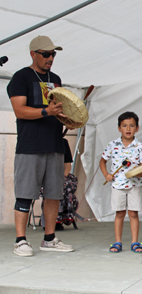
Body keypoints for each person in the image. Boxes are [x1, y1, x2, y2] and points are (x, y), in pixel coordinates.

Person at [7, 35, 74, 256]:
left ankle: (49, 238)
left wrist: (67, 120)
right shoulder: (21, 77)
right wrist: (46, 111)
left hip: (54, 144)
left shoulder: (55, 78)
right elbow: (19, 110)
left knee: (54, 194)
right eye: (46, 54)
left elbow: (59, 108)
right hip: (30, 146)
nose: (50, 58)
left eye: (53, 54)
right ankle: (20, 241)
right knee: (26, 194)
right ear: (33, 53)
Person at [100, 111, 142, 253]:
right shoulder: (112, 145)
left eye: (132, 126)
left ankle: (135, 242)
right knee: (120, 214)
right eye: (124, 126)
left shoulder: (139, 147)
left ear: (137, 128)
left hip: (135, 185)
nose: (128, 129)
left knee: (133, 214)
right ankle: (117, 242)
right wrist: (106, 175)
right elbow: (103, 161)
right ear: (119, 128)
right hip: (117, 185)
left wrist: (138, 172)